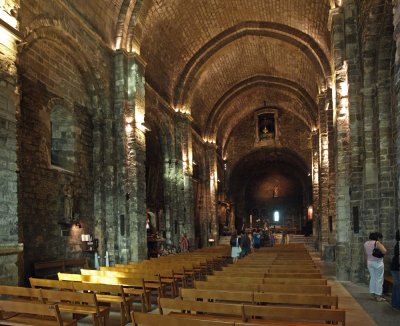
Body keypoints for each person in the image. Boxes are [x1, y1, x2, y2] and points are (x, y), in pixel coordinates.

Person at [364, 232, 387, 301]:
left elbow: (366, 254)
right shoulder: (377, 243)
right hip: (377, 262)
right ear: (377, 237)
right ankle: (378, 296)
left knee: (373, 278)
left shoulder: (366, 243)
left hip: (369, 262)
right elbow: (384, 251)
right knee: (379, 279)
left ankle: (373, 293)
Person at [390, 229, 400, 309]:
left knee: (396, 285)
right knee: (397, 285)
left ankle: (394, 303)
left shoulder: (397, 243)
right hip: (397, 267)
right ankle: (397, 304)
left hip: (395, 266)